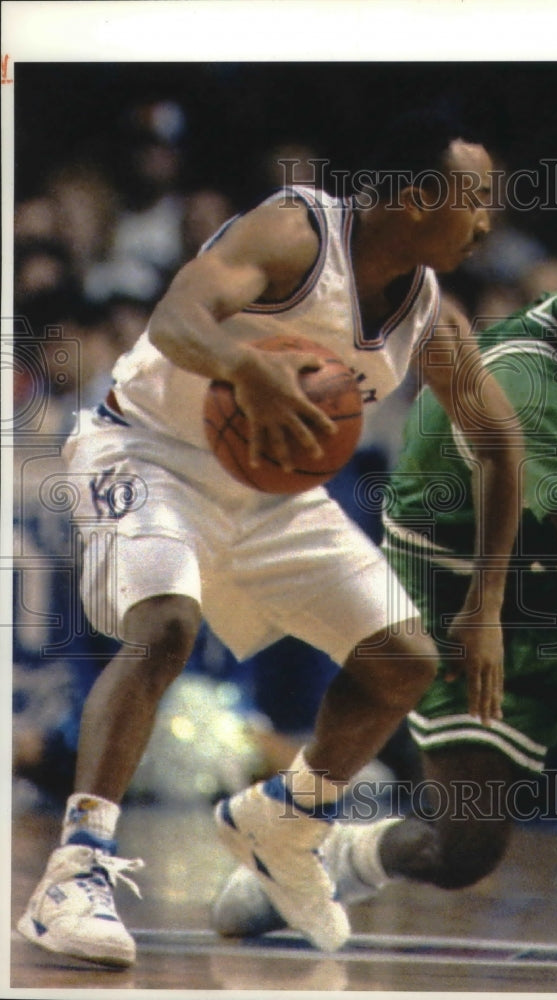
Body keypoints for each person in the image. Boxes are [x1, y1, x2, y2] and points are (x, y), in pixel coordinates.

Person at [17, 113, 521, 967]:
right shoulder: (295, 232)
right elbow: (176, 317)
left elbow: (501, 444)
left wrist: (488, 604)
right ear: (412, 199)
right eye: (474, 201)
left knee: (402, 657)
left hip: (268, 493)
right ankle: (75, 869)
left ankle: (283, 825)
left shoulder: (432, 314)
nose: (487, 223)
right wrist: (246, 368)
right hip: (147, 449)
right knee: (166, 623)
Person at [213, 206, 557, 939]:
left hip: (556, 541)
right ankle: (338, 857)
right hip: (458, 580)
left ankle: (329, 856)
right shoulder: (528, 377)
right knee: (462, 852)